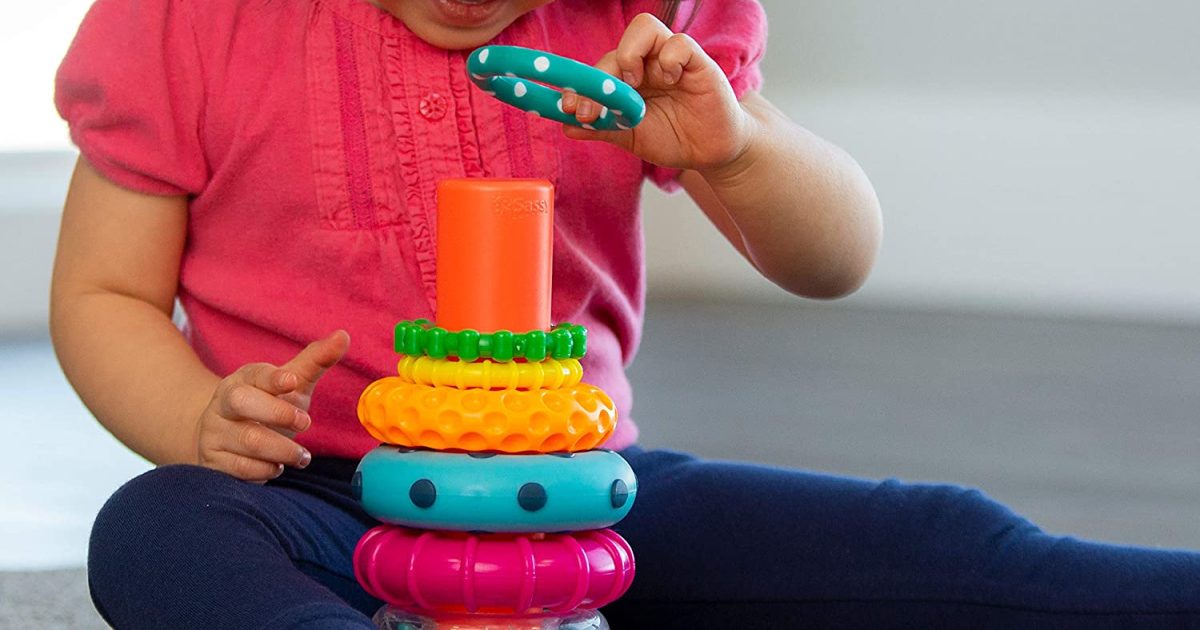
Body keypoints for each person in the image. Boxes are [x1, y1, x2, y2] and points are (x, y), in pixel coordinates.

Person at [51, 0, 1199, 628]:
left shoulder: (642, 24)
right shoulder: (184, 20)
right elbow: (105, 292)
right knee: (158, 532)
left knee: (939, 536)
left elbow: (837, 257)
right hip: (311, 501)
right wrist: (202, 415)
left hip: (578, 500)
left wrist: (738, 153)